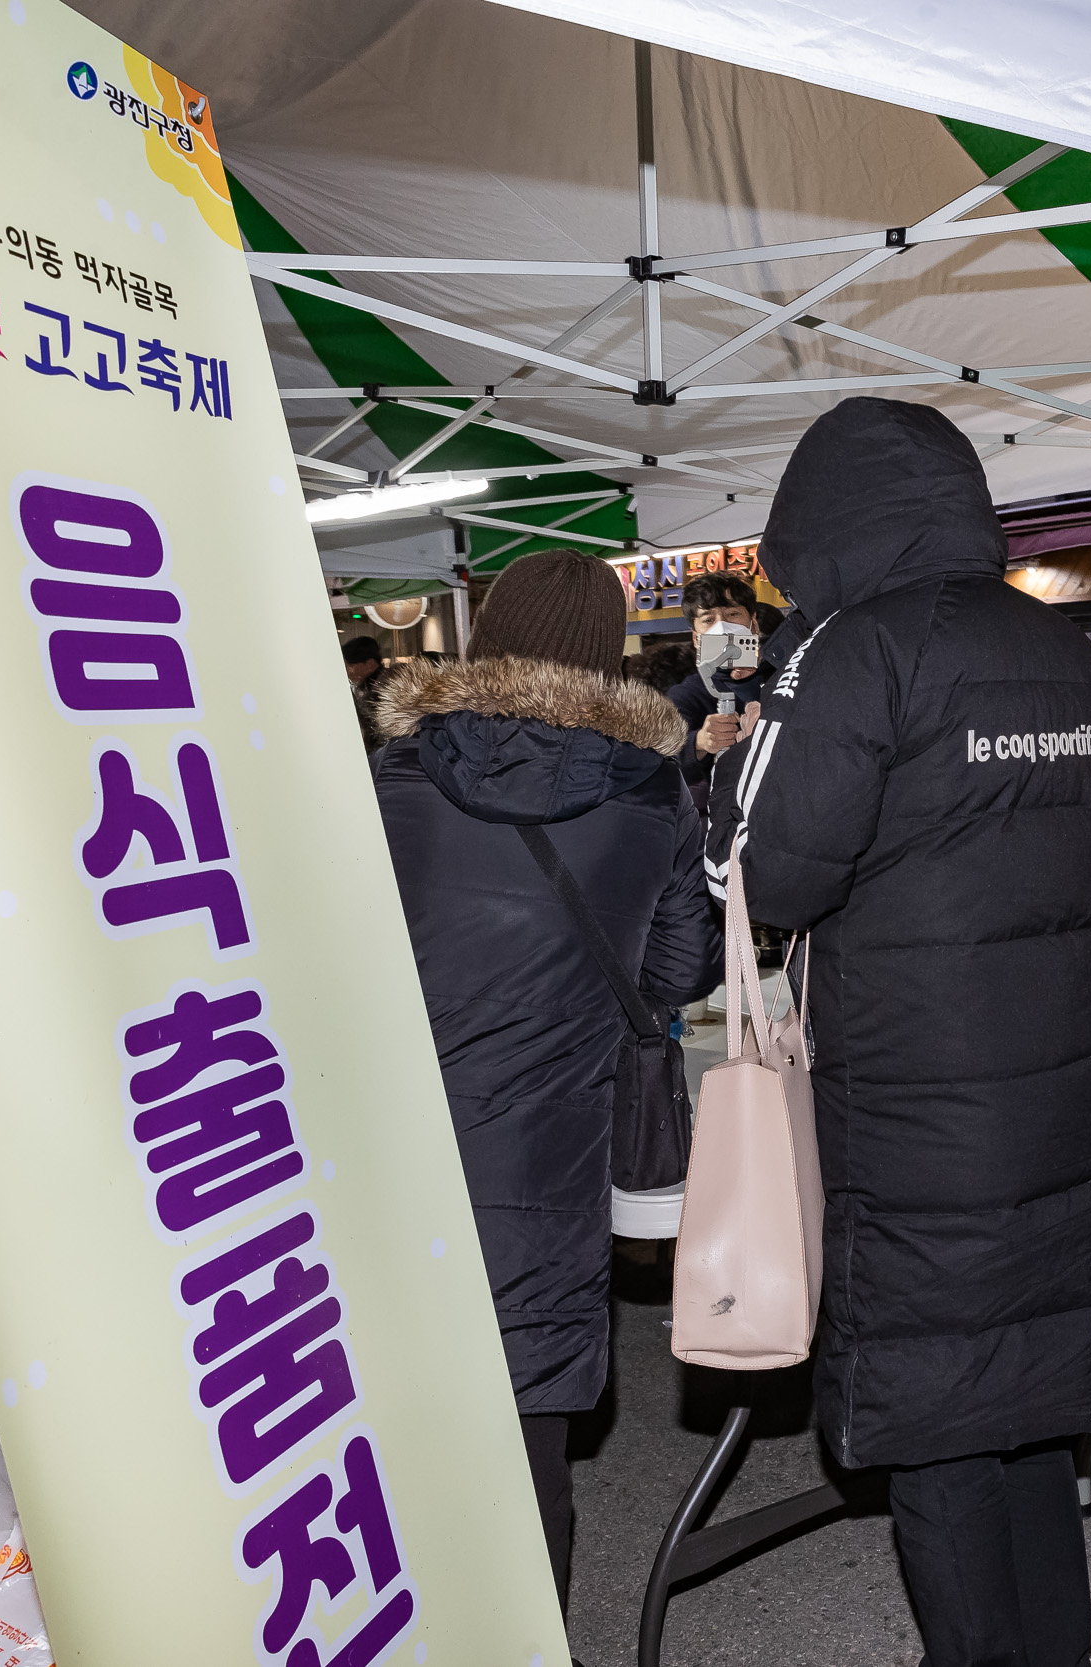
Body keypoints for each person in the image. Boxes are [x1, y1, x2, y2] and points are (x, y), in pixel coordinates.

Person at [706, 398, 1091, 1667]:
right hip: (1055, 1076)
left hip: (916, 1089)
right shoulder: (1059, 647)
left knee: (939, 1405)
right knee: (1032, 1402)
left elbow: (764, 870)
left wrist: (730, 764)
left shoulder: (848, 648)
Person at [369, 548, 719, 1608]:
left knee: (385, 1436)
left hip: (387, 1156)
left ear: (483, 641)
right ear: (606, 656)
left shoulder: (387, 777)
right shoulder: (651, 787)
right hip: (548, 1153)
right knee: (528, 1448)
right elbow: (676, 973)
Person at [668, 572, 767, 789]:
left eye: (733, 614)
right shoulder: (686, 695)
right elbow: (663, 763)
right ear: (696, 637)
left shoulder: (786, 672)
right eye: (709, 619)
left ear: (754, 624)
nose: (722, 626)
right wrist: (700, 743)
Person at [343, 634, 389, 749]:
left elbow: (376, 738)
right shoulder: (365, 688)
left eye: (351, 665)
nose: (347, 671)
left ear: (370, 664)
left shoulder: (383, 693)